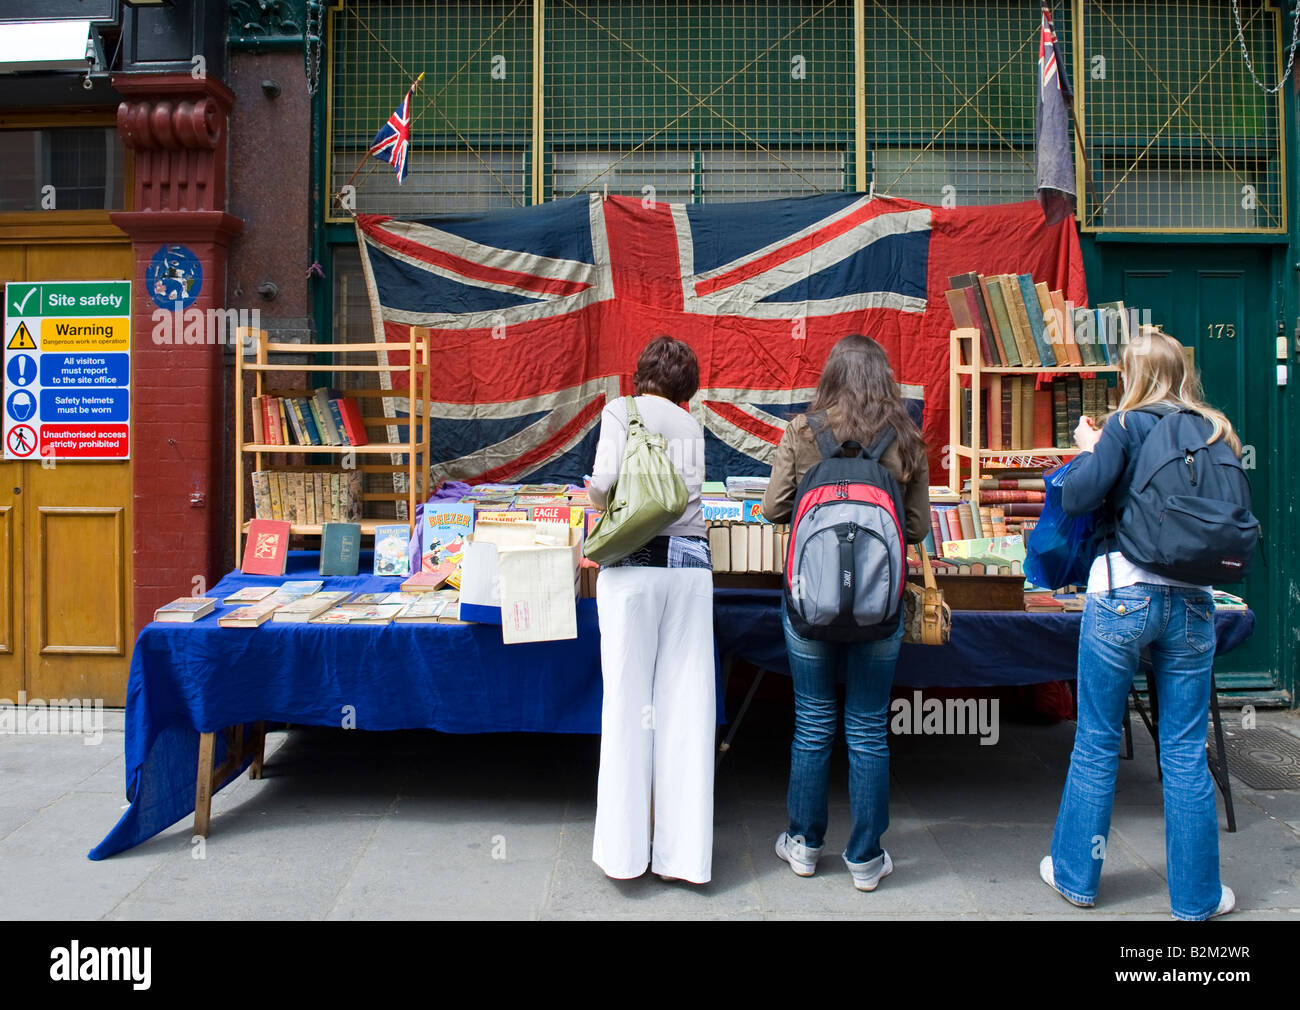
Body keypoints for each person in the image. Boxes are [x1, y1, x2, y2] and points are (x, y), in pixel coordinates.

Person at [1042, 326, 1237, 920]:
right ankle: (1198, 899)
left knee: (1098, 740)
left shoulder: (1124, 426)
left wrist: (1085, 448)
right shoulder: (1215, 429)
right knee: (1182, 751)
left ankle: (1077, 877)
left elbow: (1077, 498)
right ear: (1182, 375)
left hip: (1122, 595)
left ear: (1131, 377)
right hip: (1194, 604)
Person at [761, 334, 929, 891]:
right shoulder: (905, 437)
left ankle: (805, 845)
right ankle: (865, 857)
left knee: (812, 721)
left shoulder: (803, 431)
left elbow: (774, 509)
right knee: (868, 727)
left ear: (830, 375)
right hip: (880, 607)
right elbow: (918, 528)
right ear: (883, 377)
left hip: (810, 603)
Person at [588, 335, 714, 884]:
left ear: (641, 373)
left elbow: (605, 487)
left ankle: (624, 855)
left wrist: (593, 496)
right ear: (687, 383)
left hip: (634, 573)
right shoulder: (692, 426)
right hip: (691, 573)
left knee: (627, 707)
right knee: (686, 711)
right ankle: (684, 860)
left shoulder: (623, 411)